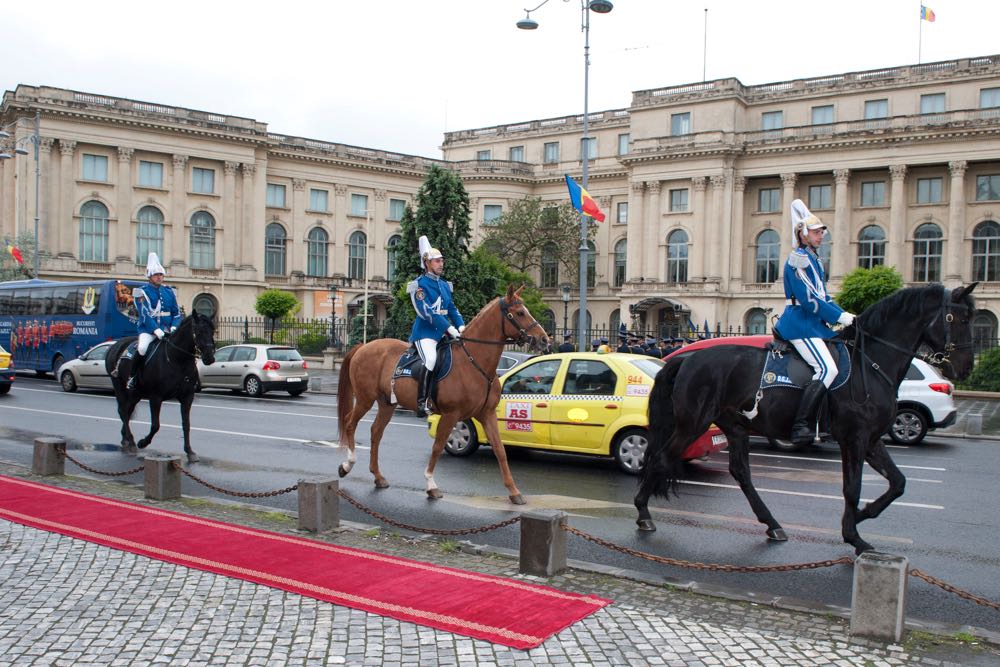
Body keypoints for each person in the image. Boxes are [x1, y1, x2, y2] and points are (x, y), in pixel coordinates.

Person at [774, 199, 855, 446]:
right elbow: (809, 299)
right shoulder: (798, 258)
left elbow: (824, 296)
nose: (821, 235)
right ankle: (801, 425)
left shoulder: (814, 259)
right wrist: (838, 317)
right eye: (816, 232)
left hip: (813, 323)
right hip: (800, 323)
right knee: (827, 369)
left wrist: (844, 314)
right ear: (803, 234)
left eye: (821, 231)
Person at [408, 236, 465, 418]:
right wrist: (450, 329)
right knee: (431, 359)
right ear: (427, 263)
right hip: (425, 334)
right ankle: (422, 402)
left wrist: (462, 326)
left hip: (443, 333)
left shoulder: (444, 285)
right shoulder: (419, 285)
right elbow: (426, 313)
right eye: (437, 261)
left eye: (442, 260)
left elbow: (452, 308)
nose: (441, 264)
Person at [127, 252, 181, 390]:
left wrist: (174, 327)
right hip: (148, 330)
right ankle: (132, 377)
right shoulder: (141, 292)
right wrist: (155, 330)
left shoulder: (169, 292)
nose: (159, 277)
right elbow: (144, 314)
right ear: (150, 276)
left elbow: (176, 313)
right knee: (142, 348)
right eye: (156, 275)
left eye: (161, 275)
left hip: (168, 329)